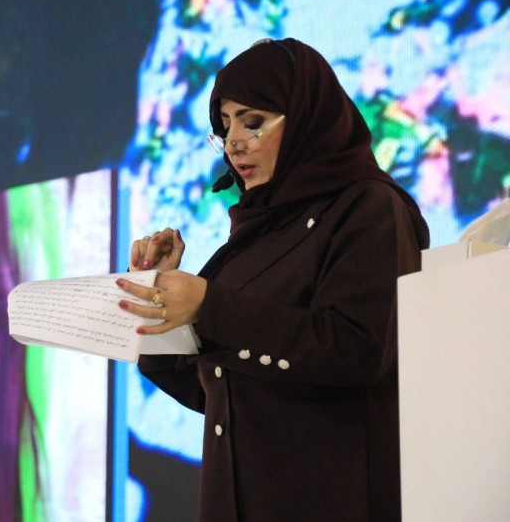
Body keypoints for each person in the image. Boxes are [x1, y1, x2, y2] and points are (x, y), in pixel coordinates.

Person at [115, 38, 430, 521]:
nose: (234, 142)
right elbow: (210, 389)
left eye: (253, 121)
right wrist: (156, 295)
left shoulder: (368, 208)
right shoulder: (254, 232)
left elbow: (359, 349)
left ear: (305, 117)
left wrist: (209, 305)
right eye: (224, 126)